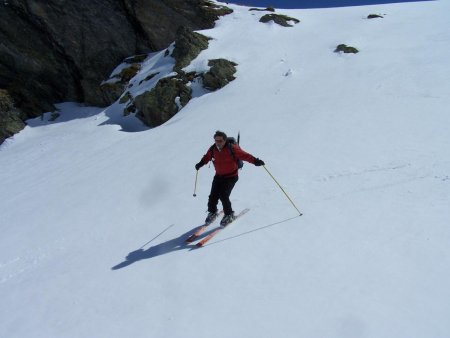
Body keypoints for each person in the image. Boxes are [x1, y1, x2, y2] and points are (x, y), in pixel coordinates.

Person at [195, 130, 265, 226]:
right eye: (216, 140)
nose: (217, 143)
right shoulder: (213, 149)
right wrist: (200, 163)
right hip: (218, 176)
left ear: (224, 140)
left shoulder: (232, 148)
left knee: (223, 195)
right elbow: (207, 157)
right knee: (213, 196)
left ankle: (229, 214)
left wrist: (256, 161)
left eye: (220, 141)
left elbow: (245, 155)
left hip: (231, 176)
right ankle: (212, 212)